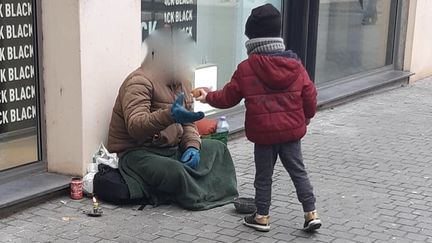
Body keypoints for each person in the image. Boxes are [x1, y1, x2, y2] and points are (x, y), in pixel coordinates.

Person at [195, 4, 321, 232]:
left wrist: (207, 97)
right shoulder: (295, 64)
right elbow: (310, 95)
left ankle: (262, 216)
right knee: (298, 171)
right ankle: (311, 213)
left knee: (263, 176)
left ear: (252, 38)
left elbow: (228, 97)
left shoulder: (247, 68)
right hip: (291, 131)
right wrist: (306, 118)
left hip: (263, 134)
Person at [107, 29, 238, 210]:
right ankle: (198, 196)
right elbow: (135, 126)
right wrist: (169, 115)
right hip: (138, 153)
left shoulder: (183, 82)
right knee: (175, 171)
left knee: (218, 149)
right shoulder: (138, 81)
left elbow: (188, 122)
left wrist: (192, 146)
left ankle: (208, 191)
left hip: (171, 149)